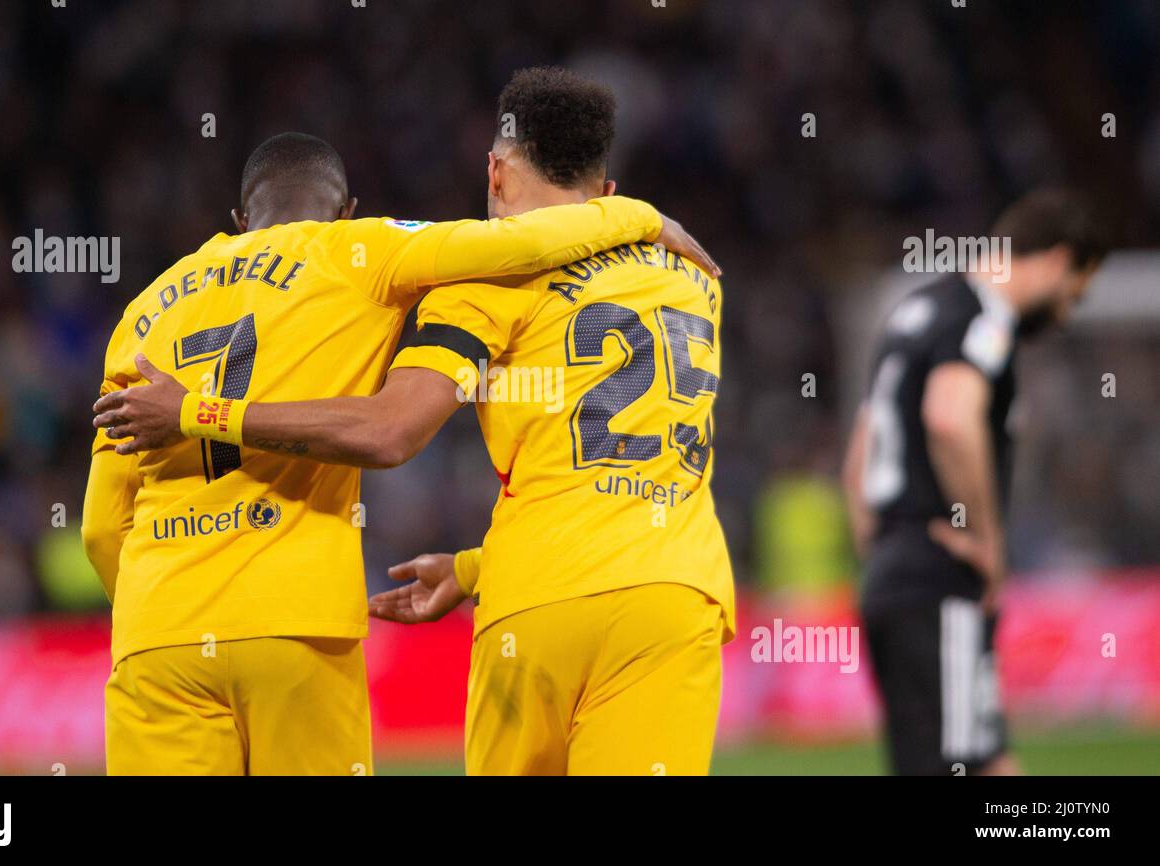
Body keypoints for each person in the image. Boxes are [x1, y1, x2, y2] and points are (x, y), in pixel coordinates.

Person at [95, 68, 735, 776]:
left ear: (494, 170)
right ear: (607, 194)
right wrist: (646, 218)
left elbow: (390, 429)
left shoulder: (479, 285)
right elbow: (610, 474)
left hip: (532, 601)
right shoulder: (694, 278)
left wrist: (194, 419)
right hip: (675, 589)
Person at [841, 188, 1108, 775]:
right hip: (939, 572)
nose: (1064, 313)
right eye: (1073, 293)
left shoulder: (917, 311)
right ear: (1058, 260)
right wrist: (986, 543)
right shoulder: (980, 317)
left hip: (895, 571)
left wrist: (885, 551)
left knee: (979, 762)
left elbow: (858, 458)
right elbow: (950, 416)